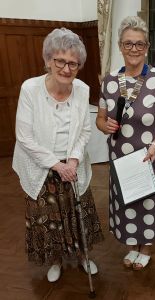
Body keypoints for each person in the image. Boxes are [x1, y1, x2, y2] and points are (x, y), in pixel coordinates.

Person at [12, 28, 103, 282]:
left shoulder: (82, 90)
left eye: (72, 63)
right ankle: (56, 260)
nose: (66, 68)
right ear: (49, 60)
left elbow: (85, 130)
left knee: (79, 213)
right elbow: (25, 137)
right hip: (41, 165)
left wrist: (72, 160)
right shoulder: (30, 89)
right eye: (60, 61)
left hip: (73, 164)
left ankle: (84, 256)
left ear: (79, 65)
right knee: (48, 218)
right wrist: (56, 165)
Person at [96, 16, 155, 270]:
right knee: (128, 202)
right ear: (120, 46)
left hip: (150, 156)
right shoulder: (109, 81)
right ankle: (133, 245)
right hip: (121, 158)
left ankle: (146, 247)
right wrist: (104, 125)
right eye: (128, 44)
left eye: (139, 44)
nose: (134, 49)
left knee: (148, 203)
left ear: (146, 47)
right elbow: (100, 119)